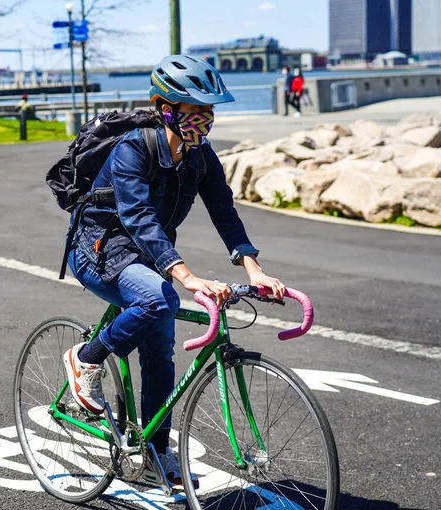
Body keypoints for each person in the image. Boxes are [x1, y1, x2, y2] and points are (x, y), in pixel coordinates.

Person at [61, 55, 286, 489]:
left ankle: (153, 453)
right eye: (195, 110)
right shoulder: (133, 148)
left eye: (211, 110)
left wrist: (254, 268)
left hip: (149, 255)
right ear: (166, 108)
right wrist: (187, 277)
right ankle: (85, 359)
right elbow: (138, 216)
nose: (205, 120)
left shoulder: (200, 156)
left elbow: (223, 209)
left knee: (160, 355)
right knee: (159, 299)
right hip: (99, 250)